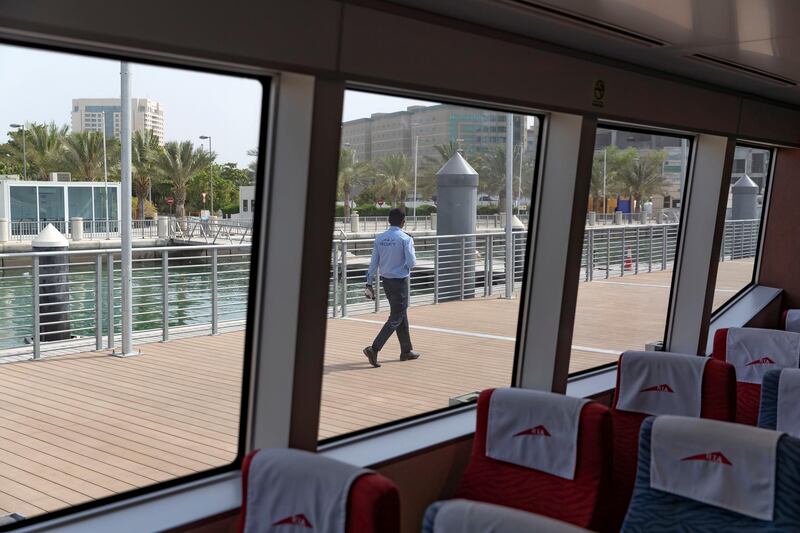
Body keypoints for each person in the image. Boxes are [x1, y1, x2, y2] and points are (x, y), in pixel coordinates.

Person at [362, 208, 420, 368]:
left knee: (400, 313)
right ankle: (374, 349)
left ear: (389, 221)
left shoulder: (380, 238)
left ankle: (406, 350)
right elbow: (412, 263)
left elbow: (373, 263)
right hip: (400, 281)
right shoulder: (405, 239)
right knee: (396, 316)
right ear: (403, 222)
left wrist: (369, 283)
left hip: (386, 282)